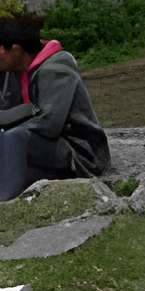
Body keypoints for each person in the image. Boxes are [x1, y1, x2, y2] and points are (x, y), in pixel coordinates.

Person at [0, 13, 111, 202]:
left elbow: (49, 124)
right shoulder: (11, 70)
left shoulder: (56, 70)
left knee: (14, 137)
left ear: (15, 49)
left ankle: (5, 200)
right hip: (46, 147)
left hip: (80, 154)